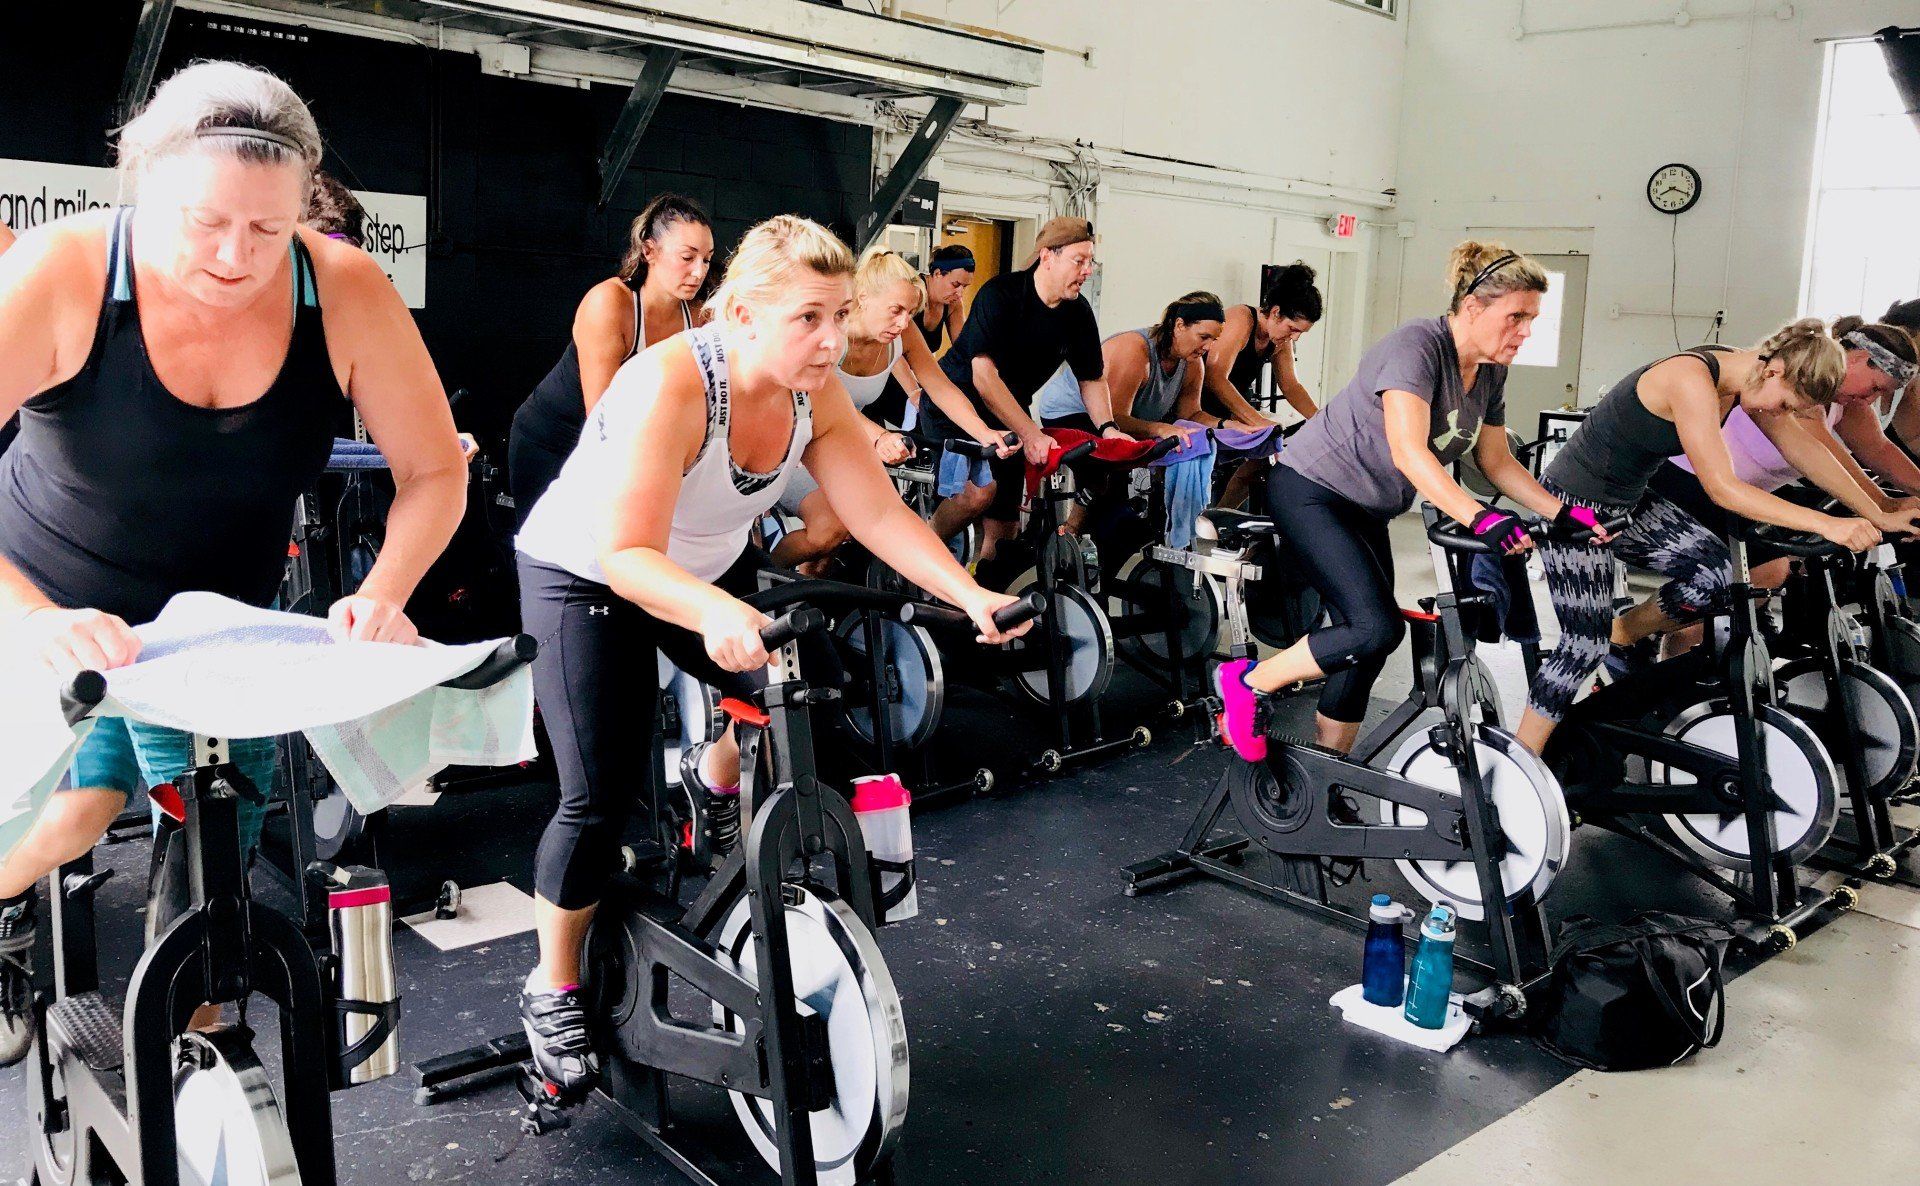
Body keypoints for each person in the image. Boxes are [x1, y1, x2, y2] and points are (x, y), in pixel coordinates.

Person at [0, 62, 467, 1065]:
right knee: (72, 817)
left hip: (217, 627)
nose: (234, 255)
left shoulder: (342, 288)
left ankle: (203, 1047)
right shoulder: (62, 270)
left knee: (221, 860)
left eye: (267, 229)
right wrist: (33, 617)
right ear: (144, 184)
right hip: (44, 597)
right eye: (205, 222)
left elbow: (434, 471)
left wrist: (385, 591)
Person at [511, 214, 1031, 1099]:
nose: (834, 340)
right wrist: (714, 612)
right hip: (589, 575)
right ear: (742, 314)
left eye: (840, 316)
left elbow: (875, 514)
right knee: (594, 799)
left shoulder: (810, 387)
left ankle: (709, 785)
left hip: (700, 568)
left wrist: (970, 594)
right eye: (810, 319)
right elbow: (628, 555)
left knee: (813, 682)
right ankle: (551, 989)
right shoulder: (669, 385)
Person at [1214, 242, 1589, 761]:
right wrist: (1482, 520)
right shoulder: (1416, 346)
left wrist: (1560, 512)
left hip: (1365, 507)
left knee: (1365, 641)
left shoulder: (1491, 371)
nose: (1526, 332)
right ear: (1474, 306)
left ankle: (1328, 769)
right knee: (1373, 628)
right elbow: (1410, 452)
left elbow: (1496, 462)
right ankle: (1248, 683)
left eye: (1532, 319)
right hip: (1311, 490)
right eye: (1517, 317)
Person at [1515, 320, 1882, 755]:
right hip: (1573, 505)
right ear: (1774, 372)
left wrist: (1878, 512)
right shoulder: (1692, 379)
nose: (1781, 414)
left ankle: (1624, 630)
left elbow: (1802, 448)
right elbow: (1722, 487)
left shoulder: (1744, 376)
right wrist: (1824, 523)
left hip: (1629, 503)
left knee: (1720, 578)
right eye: (1784, 404)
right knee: (1582, 646)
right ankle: (1521, 763)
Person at [1642, 319, 1920, 654]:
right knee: (1764, 571)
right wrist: (1879, 507)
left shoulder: (1849, 404)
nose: (1873, 398)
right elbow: (1819, 454)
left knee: (1769, 575)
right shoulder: (1805, 387)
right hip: (1685, 481)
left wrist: (1888, 506)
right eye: (1876, 387)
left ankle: (1690, 653)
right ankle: (1630, 634)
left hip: (1742, 494)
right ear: (1858, 357)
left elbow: (1879, 452)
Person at [769, 247, 1010, 572]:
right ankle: (760, 573)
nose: (903, 322)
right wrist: (880, 437)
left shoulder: (902, 333)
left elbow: (938, 388)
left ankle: (813, 597)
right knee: (831, 528)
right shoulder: (831, 335)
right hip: (791, 440)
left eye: (909, 313)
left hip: (839, 441)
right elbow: (829, 403)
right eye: (896, 310)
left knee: (854, 534)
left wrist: (985, 433)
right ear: (863, 299)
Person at [917, 217, 1131, 562]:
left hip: (1011, 411)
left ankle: (986, 599)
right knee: (976, 494)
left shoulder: (1078, 313)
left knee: (1005, 529)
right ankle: (918, 552)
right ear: (1048, 256)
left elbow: (1091, 378)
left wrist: (1108, 428)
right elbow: (984, 378)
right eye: (1079, 260)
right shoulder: (1001, 294)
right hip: (956, 405)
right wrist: (1030, 434)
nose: (1087, 270)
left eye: (1090, 261)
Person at [509, 194, 714, 524]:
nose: (698, 271)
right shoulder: (609, 303)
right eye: (687, 257)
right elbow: (601, 419)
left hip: (624, 442)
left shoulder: (700, 318)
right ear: (649, 251)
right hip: (553, 440)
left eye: (706, 259)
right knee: (551, 556)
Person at [1034, 291, 1220, 534]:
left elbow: (1191, 415)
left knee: (1129, 484)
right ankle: (1072, 527)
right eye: (1203, 337)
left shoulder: (1192, 363)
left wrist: (1229, 426)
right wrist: (1159, 428)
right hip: (1072, 411)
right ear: (1179, 325)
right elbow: (1115, 420)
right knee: (1111, 464)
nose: (1207, 347)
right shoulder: (1134, 350)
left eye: (1214, 340)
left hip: (1117, 419)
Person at [1201, 262, 1323, 508]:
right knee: (1264, 433)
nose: (1295, 337)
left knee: (1263, 457)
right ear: (1276, 312)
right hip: (1198, 403)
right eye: (1292, 329)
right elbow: (1215, 377)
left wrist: (1321, 421)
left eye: (1301, 333)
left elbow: (1291, 387)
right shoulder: (1241, 320)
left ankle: (1221, 516)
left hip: (1230, 405)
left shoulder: (1279, 339)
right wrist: (1257, 420)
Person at [917, 243, 975, 353]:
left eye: (964, 287)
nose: (960, 293)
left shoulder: (953, 303)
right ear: (938, 273)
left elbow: (964, 350)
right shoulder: (913, 294)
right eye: (955, 284)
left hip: (918, 368)